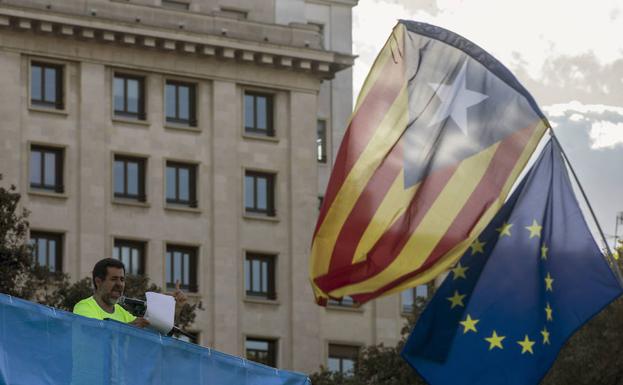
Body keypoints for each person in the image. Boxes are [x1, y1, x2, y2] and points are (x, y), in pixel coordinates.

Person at [73, 258, 150, 327]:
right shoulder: (84, 307)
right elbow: (97, 335)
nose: (119, 284)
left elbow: (142, 327)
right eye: (114, 279)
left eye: (122, 280)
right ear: (98, 282)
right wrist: (129, 329)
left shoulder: (122, 312)